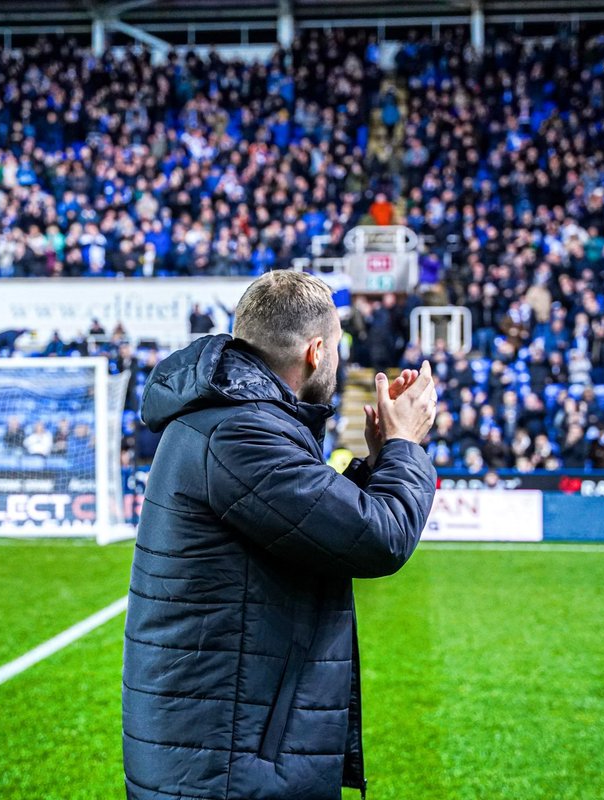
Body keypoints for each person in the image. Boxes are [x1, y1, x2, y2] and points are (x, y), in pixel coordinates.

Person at [123, 270, 438, 800]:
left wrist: (380, 458)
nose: (339, 362)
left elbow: (311, 523)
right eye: (338, 349)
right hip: (226, 768)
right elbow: (380, 536)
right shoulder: (240, 431)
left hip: (223, 753)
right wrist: (407, 444)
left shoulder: (234, 417)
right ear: (316, 352)